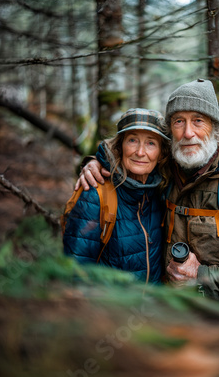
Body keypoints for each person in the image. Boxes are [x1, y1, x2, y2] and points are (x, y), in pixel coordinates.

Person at [77, 80, 219, 334]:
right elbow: (129, 155)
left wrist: (201, 277)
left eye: (198, 120)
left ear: (215, 127)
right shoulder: (165, 171)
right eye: (179, 121)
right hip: (171, 328)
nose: (188, 132)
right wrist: (92, 164)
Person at [63, 108, 170, 284]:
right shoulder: (96, 194)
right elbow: (76, 274)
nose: (140, 152)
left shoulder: (162, 190)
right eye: (133, 140)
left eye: (151, 143)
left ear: (161, 154)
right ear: (120, 146)